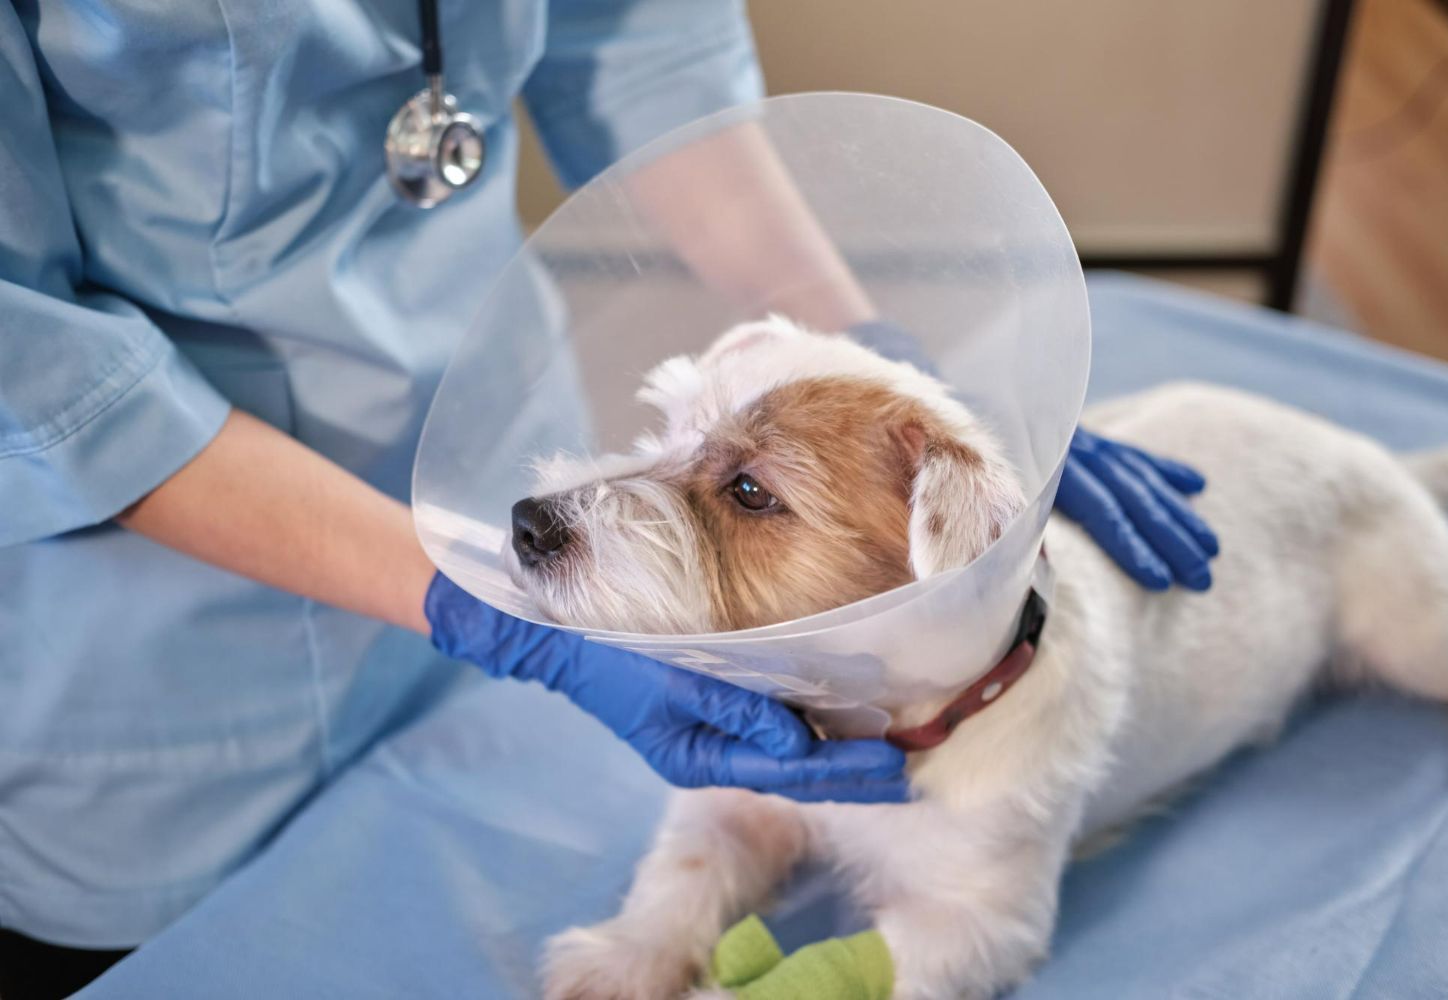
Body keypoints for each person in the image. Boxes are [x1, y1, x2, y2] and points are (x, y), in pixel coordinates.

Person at [0, 2, 1217, 996]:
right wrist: (503, 620)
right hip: (150, 673)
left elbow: (635, 36)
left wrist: (864, 364)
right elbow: (31, 362)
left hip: (489, 490)